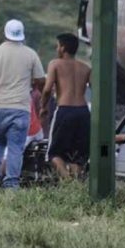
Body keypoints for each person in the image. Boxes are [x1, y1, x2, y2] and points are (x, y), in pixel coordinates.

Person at [0, 19, 45, 190]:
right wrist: (34, 87)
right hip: (20, 108)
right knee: (15, 147)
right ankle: (11, 183)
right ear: (22, 34)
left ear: (5, 33)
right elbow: (40, 79)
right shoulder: (30, 54)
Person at [40, 33, 91, 180]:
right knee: (77, 155)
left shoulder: (55, 64)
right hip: (83, 112)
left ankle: (67, 181)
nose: (57, 49)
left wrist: (43, 106)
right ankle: (76, 183)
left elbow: (47, 89)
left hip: (65, 110)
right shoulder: (85, 68)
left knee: (54, 153)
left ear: (62, 48)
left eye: (58, 46)